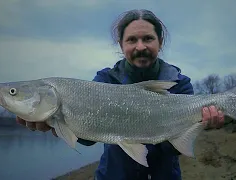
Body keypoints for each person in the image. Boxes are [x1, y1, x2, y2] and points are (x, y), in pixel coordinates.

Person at [16, 9, 224, 180]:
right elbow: (89, 138)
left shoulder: (180, 83)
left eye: (148, 39)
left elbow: (174, 149)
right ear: (121, 45)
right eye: (132, 39)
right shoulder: (105, 80)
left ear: (160, 42)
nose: (140, 46)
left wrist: (199, 125)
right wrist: (59, 125)